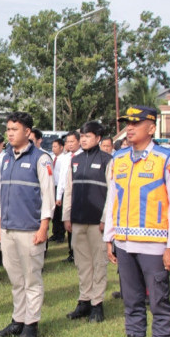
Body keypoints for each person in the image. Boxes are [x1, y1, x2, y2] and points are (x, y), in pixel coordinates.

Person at [103, 105, 170, 337]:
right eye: (127, 123)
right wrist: (109, 237)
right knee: (132, 301)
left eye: (136, 123)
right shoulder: (120, 158)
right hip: (125, 243)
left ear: (152, 127)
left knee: (159, 302)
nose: (130, 127)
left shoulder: (166, 159)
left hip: (154, 245)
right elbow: (113, 199)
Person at [0, 112, 54, 337]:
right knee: (16, 278)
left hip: (30, 229)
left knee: (31, 279)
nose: (9, 133)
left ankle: (31, 323)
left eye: (14, 129)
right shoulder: (6, 158)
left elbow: (48, 195)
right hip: (8, 228)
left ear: (27, 132)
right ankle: (18, 319)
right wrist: (0, 224)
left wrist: (43, 227)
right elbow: (2, 194)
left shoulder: (41, 158)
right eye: (7, 129)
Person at [63, 121, 113, 323]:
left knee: (98, 262)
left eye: (88, 136)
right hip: (77, 220)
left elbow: (113, 193)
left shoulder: (107, 160)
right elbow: (69, 189)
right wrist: (67, 215)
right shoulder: (75, 160)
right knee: (82, 263)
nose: (83, 139)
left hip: (97, 222)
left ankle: (97, 303)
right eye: (81, 136)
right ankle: (84, 300)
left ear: (98, 138)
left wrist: (105, 219)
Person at [57, 131, 82, 263]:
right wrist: (58, 196)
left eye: (72, 141)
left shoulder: (83, 156)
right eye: (68, 142)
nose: (70, 144)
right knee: (68, 222)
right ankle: (71, 252)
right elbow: (62, 178)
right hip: (66, 194)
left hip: (79, 194)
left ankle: (79, 251)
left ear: (79, 141)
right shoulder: (65, 158)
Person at [48, 138, 66, 243]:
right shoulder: (52, 158)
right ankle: (55, 233)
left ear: (61, 147)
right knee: (54, 212)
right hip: (53, 187)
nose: (53, 148)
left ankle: (61, 234)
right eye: (52, 146)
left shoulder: (64, 159)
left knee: (60, 212)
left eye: (55, 146)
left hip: (60, 187)